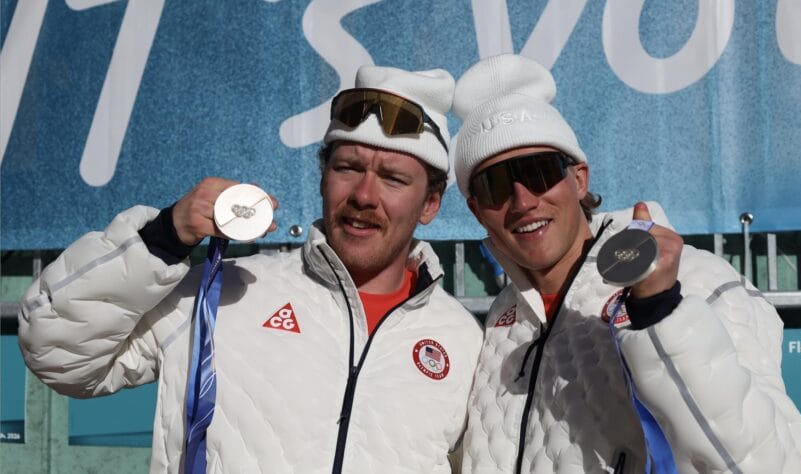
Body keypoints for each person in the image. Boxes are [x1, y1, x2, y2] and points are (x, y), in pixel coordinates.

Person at [17, 65, 483, 473]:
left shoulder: (462, 339)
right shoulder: (225, 293)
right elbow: (56, 351)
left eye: (393, 178)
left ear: (431, 204)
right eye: (347, 167)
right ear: (322, 178)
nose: (363, 195)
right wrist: (166, 234)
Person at [451, 54, 801, 473]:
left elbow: (773, 465)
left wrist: (659, 311)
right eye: (495, 184)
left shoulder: (694, 278)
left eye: (537, 172)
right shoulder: (501, 321)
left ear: (579, 178)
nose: (523, 200)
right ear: (477, 210)